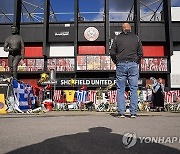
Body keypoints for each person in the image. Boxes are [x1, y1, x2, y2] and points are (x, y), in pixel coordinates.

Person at [110, 23, 143, 118]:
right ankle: (133, 113)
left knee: (120, 89)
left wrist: (116, 61)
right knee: (134, 88)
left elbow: (112, 52)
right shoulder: (136, 38)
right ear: (130, 28)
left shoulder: (117, 38)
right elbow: (140, 53)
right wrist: (136, 61)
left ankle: (121, 112)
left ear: (122, 29)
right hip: (133, 64)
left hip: (121, 64)